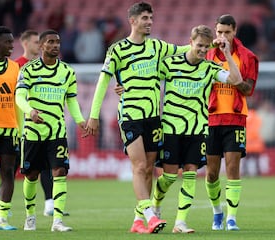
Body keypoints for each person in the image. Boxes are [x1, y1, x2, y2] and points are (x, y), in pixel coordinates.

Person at [85, 1, 189, 234]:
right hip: (130, 115)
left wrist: (206, 44)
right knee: (139, 165)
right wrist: (94, 116)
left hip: (153, 116)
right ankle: (150, 215)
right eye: (144, 18)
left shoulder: (157, 47)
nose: (149, 22)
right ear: (132, 21)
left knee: (150, 167)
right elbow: (103, 82)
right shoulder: (118, 49)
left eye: (151, 18)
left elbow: (183, 50)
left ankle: (138, 221)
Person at [152, 24, 243, 234]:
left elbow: (236, 80)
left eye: (206, 47)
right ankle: (156, 204)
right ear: (190, 43)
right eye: (199, 46)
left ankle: (180, 222)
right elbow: (148, 80)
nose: (202, 50)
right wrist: (122, 87)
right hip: (171, 129)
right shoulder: (170, 64)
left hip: (197, 130)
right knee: (170, 177)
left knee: (191, 173)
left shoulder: (209, 68)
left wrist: (227, 53)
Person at [15, 29, 86, 232]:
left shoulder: (67, 72)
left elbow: (71, 100)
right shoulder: (28, 70)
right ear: (41, 46)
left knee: (60, 172)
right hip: (33, 132)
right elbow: (19, 97)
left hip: (57, 132)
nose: (55, 45)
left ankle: (57, 221)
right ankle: (30, 217)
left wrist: (80, 120)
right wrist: (30, 111)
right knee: (31, 176)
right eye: (51, 42)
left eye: (58, 42)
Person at [204, 14, 258, 231]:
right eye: (219, 32)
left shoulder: (247, 56)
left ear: (234, 31)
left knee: (233, 168)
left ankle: (232, 218)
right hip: (210, 119)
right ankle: (217, 213)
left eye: (227, 32)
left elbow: (248, 89)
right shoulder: (206, 54)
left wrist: (227, 58)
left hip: (235, 118)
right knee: (211, 173)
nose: (222, 36)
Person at [0, 26, 20, 230]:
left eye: (12, 41)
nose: (12, 45)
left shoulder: (16, 68)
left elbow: (20, 99)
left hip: (10, 129)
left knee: (8, 172)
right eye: (7, 42)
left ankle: (2, 219)